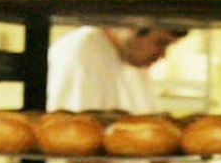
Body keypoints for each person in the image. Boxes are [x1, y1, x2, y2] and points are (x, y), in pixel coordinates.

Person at [45, 23, 187, 113]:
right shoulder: (83, 49)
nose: (162, 55)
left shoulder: (135, 62)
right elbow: (76, 138)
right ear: (133, 28)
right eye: (160, 43)